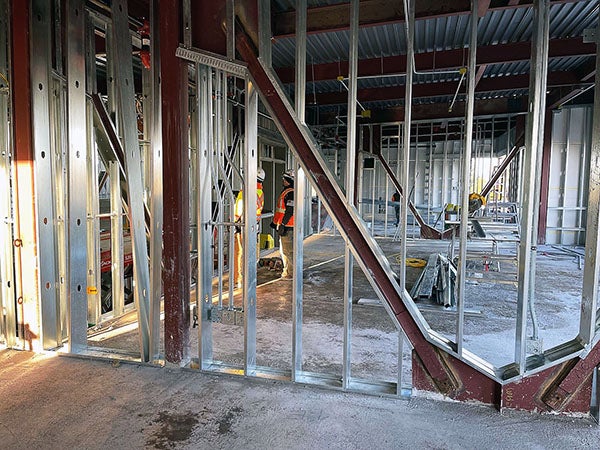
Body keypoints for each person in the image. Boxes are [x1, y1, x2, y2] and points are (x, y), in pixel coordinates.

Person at [233, 167, 265, 289]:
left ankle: (240, 280)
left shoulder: (246, 192)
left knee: (240, 253)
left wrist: (236, 223)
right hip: (253, 226)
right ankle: (251, 278)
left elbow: (240, 210)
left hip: (242, 225)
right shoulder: (260, 192)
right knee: (251, 252)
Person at [270, 169, 295, 280]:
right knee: (285, 250)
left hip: (288, 227)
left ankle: (291, 273)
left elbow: (289, 210)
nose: (283, 181)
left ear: (288, 180)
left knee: (288, 251)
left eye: (284, 179)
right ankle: (288, 271)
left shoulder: (291, 193)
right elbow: (281, 210)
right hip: (285, 225)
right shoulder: (287, 192)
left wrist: (283, 224)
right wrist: (275, 224)